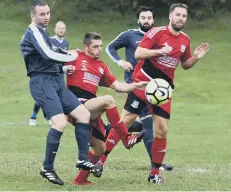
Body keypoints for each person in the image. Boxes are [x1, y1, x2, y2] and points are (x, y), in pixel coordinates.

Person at [121, 3, 209, 183]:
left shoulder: (185, 40)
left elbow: (185, 65)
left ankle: (154, 173)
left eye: (184, 16)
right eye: (177, 15)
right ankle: (99, 155)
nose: (180, 18)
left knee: (161, 130)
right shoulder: (157, 33)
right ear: (170, 16)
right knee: (126, 121)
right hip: (144, 82)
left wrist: (196, 58)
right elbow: (139, 53)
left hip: (163, 90)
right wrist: (159, 51)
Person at [20, 0, 101, 186]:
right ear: (33, 15)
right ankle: (47, 167)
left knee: (83, 114)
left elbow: (50, 54)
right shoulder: (33, 31)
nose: (46, 17)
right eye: (42, 14)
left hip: (55, 80)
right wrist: (71, 56)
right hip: (42, 83)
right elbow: (49, 54)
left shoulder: (43, 32)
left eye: (48, 13)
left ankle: (82, 159)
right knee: (60, 122)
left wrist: (64, 69)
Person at [65, 32, 146, 185]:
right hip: (75, 104)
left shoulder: (101, 66)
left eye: (101, 46)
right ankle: (127, 138)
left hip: (89, 107)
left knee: (100, 149)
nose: (99, 49)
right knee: (108, 100)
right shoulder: (75, 55)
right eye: (95, 47)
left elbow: (118, 86)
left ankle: (80, 180)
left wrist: (135, 85)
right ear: (85, 47)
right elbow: (55, 59)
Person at [100, 6, 172, 174]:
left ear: (153, 20)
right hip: (135, 85)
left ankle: (108, 130)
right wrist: (120, 62)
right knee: (146, 124)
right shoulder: (129, 35)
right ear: (138, 20)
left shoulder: (158, 36)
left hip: (153, 87)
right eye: (143, 18)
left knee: (136, 124)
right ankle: (156, 165)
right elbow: (109, 48)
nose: (146, 20)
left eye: (149, 18)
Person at [28, 21, 69, 127]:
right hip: (49, 72)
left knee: (57, 96)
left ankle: (52, 117)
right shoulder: (50, 40)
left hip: (61, 73)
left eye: (63, 28)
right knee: (44, 95)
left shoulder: (66, 42)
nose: (61, 30)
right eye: (59, 28)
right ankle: (33, 115)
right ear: (55, 29)